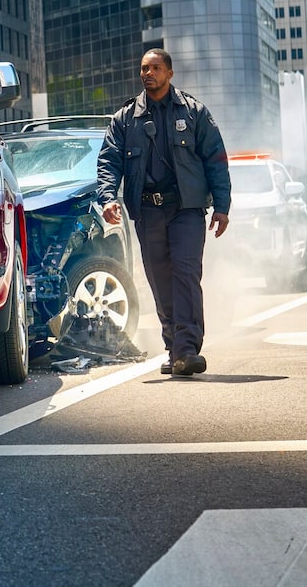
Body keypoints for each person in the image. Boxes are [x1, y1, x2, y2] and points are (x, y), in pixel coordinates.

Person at [96, 49, 231, 377]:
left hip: (186, 209)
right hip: (147, 209)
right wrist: (108, 198)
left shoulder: (194, 112)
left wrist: (222, 207)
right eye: (144, 68)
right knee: (159, 278)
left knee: (185, 272)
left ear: (169, 73)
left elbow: (215, 158)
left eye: (155, 68)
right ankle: (174, 348)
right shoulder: (125, 119)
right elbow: (109, 162)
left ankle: (187, 348)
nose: (148, 73)